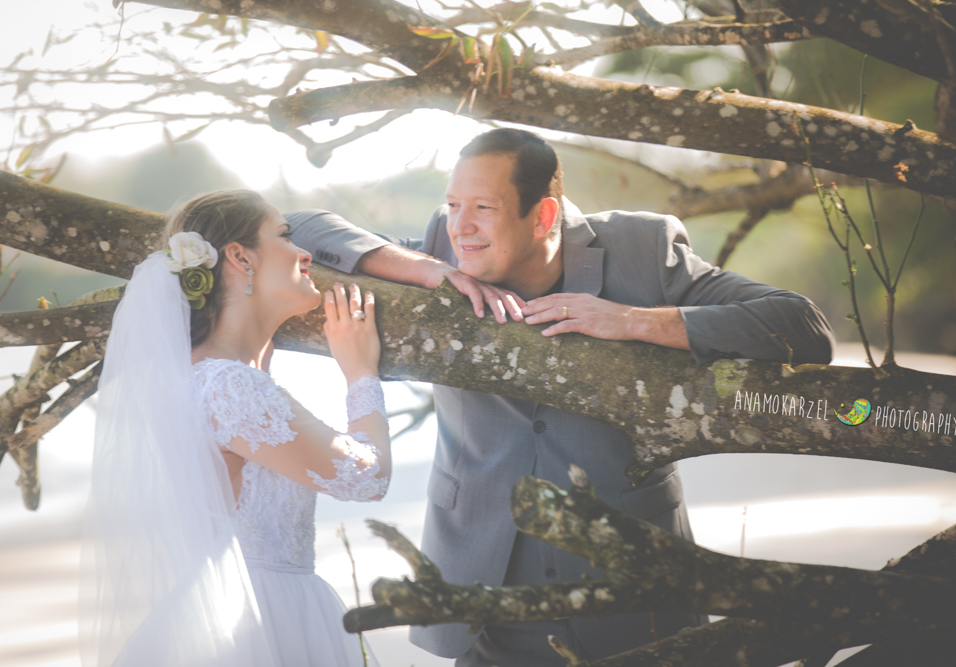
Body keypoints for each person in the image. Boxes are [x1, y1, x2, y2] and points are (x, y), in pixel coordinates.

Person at [286, 128, 836, 665]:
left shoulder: (641, 248)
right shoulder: (439, 245)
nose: (461, 227)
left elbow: (803, 327)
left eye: (482, 207)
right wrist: (428, 271)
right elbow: (294, 229)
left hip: (633, 586)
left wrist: (634, 321)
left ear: (544, 214)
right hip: (481, 588)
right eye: (452, 205)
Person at [80, 190, 389, 667]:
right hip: (259, 622)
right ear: (241, 257)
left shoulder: (197, 376)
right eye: (285, 236)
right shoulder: (230, 387)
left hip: (221, 603)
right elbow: (366, 478)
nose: (305, 253)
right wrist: (360, 372)